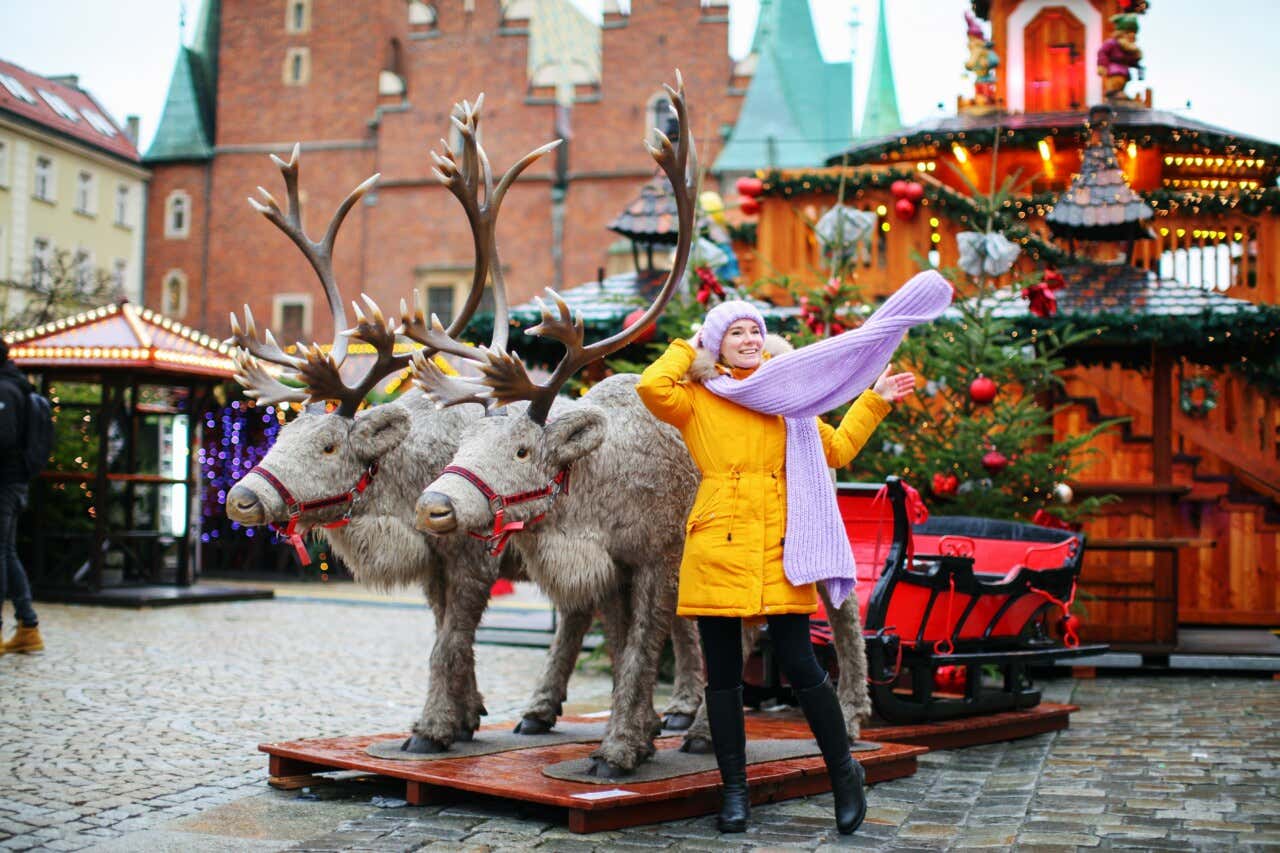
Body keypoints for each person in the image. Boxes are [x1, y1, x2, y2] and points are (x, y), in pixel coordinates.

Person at [635, 300, 918, 835]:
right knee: (721, 678)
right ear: (714, 344)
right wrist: (690, 348)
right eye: (734, 332)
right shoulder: (695, 398)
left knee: (802, 666)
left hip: (783, 548)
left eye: (755, 331)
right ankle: (735, 792)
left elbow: (836, 451)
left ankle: (843, 772)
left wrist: (873, 402)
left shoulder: (791, 396)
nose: (747, 339)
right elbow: (651, 387)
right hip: (719, 546)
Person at [0, 339, 43, 655]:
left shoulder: (5, 390)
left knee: (1, 553)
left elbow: (4, 438)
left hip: (5, 481)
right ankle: (27, 626)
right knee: (6, 551)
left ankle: (20, 628)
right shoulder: (17, 385)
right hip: (14, 482)